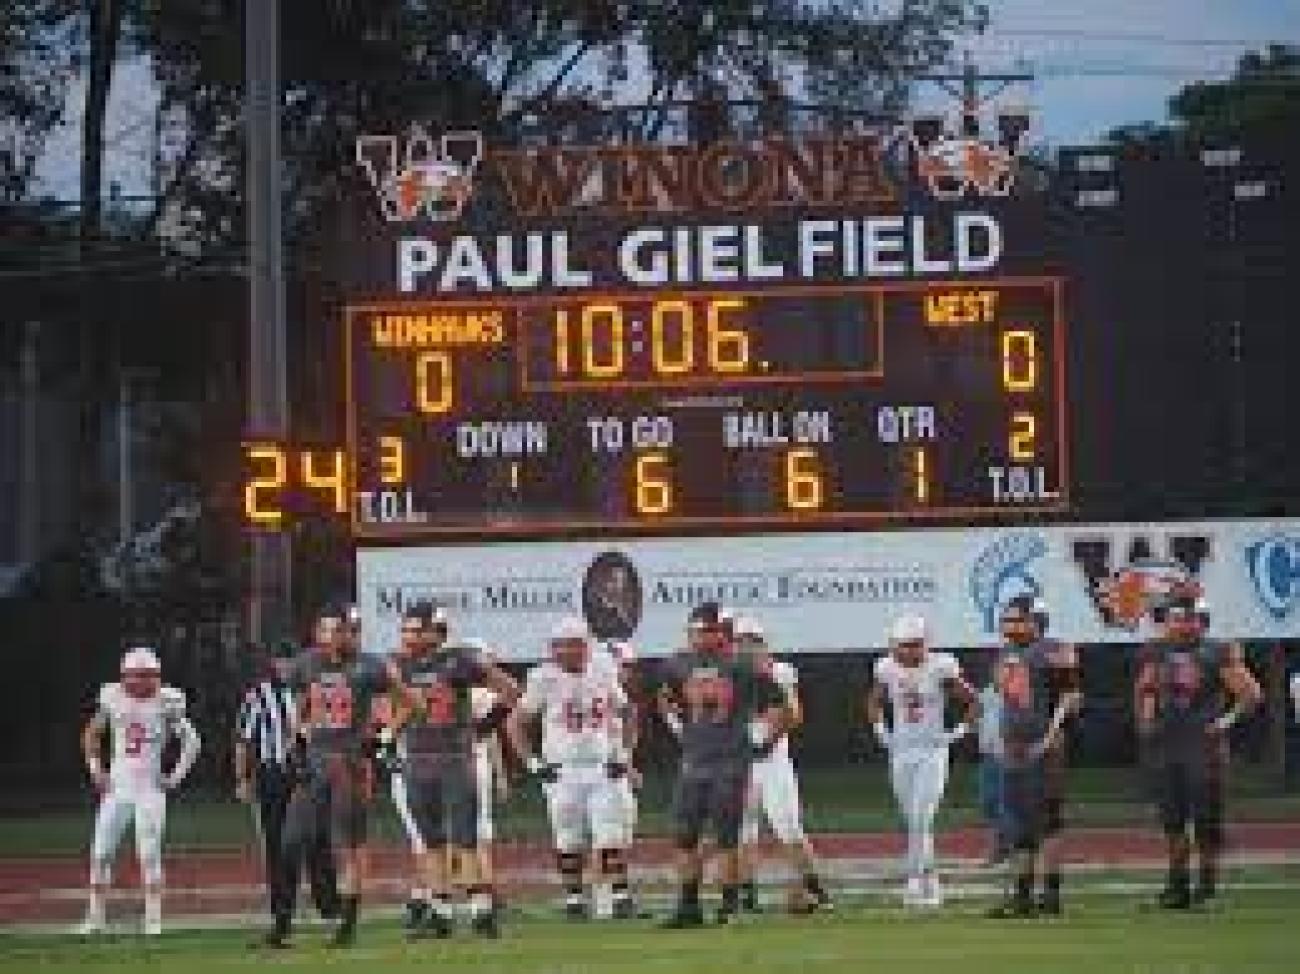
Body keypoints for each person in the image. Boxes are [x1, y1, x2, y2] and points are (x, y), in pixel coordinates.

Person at [272, 603, 411, 948]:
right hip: (315, 761)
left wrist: (382, 738)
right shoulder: (306, 663)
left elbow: (410, 703)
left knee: (349, 846)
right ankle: (282, 925)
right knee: (290, 841)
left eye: (338, 630)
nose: (330, 638)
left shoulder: (371, 665)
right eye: (325, 630)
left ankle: (347, 925)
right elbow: (302, 709)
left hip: (350, 762)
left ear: (351, 632)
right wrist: (297, 741)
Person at [653, 601, 792, 927]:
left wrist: (763, 738)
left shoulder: (743, 664)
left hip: (729, 760)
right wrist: (677, 727)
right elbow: (666, 697)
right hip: (694, 759)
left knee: (727, 837)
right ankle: (688, 905)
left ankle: (729, 905)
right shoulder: (678, 663)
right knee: (684, 835)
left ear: (721, 632)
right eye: (694, 630)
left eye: (704, 630)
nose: (696, 637)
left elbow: (779, 705)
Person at [390, 603, 520, 939]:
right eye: (406, 630)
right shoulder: (399, 665)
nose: (410, 637)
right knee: (430, 841)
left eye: (417, 630)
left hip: (453, 758)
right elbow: (402, 710)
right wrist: (386, 741)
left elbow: (510, 689)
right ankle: (441, 914)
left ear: (437, 632)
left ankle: (482, 913)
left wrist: (485, 726)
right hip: (417, 759)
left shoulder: (459, 660)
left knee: (465, 838)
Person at [508, 616, 639, 920]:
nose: (562, 652)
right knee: (567, 837)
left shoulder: (604, 668)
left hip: (602, 765)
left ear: (585, 647)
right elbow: (515, 723)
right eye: (558, 646)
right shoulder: (542, 678)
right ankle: (574, 899)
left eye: (570, 645)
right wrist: (532, 763)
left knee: (611, 834)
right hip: (562, 769)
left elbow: (628, 711)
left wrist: (624, 753)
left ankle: (619, 897)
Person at [1135, 595, 1261, 909]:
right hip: (1166, 744)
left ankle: (1206, 889)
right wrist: (1146, 717)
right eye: (1174, 618)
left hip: (1202, 746)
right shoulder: (1156, 649)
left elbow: (1251, 693)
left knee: (1205, 820)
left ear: (1198, 620)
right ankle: (1177, 887)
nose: (1179, 624)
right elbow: (1146, 687)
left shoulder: (1216, 651)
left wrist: (1225, 721)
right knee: (1172, 820)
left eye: (1185, 618)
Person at [78, 646, 201, 936]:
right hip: (118, 787)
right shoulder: (111, 697)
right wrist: (96, 769)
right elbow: (91, 734)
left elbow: (193, 741)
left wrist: (175, 777)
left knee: (148, 854)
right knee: (101, 852)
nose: (146, 681)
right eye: (140, 675)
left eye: (151, 675)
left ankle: (153, 920)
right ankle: (95, 918)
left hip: (149, 789)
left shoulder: (168, 701)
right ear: (126, 676)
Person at [866, 614, 976, 908]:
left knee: (921, 817)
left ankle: (916, 879)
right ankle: (930, 879)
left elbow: (974, 700)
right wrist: (880, 728)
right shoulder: (886, 667)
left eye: (915, 645)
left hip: (932, 750)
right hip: (901, 750)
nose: (910, 651)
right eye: (904, 645)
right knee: (912, 820)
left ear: (925, 644)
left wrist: (960, 730)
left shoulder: (941, 667)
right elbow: (874, 700)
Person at [235, 641, 339, 937]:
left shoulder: (313, 691)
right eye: (280, 662)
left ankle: (329, 907)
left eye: (289, 662)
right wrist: (243, 778)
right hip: (274, 774)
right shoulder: (257, 696)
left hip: (311, 773)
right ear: (272, 664)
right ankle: (282, 913)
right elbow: (244, 740)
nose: (284, 667)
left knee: (319, 839)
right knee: (278, 845)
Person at [988, 595, 1081, 918]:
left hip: (1043, 745)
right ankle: (1022, 895)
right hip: (1013, 747)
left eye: (1016, 619)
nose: (1008, 625)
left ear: (1035, 621)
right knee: (1020, 824)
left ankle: (1051, 894)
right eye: (1007, 619)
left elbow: (1071, 696)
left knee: (1049, 820)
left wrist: (1050, 735)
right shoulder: (1005, 654)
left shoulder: (1054, 649)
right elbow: (1008, 703)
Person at [734, 616, 831, 914]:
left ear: (763, 644)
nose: (746, 647)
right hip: (742, 761)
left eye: (752, 641)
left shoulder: (780, 672)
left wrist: (769, 741)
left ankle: (815, 889)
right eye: (741, 641)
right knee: (743, 830)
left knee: (788, 827)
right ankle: (747, 896)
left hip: (773, 761)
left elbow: (795, 714)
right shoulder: (728, 675)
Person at [976, 656, 1011, 866]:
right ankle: (1002, 847)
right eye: (998, 669)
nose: (1001, 673)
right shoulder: (985, 694)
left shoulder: (1018, 695)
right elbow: (977, 720)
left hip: (1009, 757)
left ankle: (1000, 850)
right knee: (988, 803)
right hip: (988, 757)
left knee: (1005, 805)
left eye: (1005, 670)